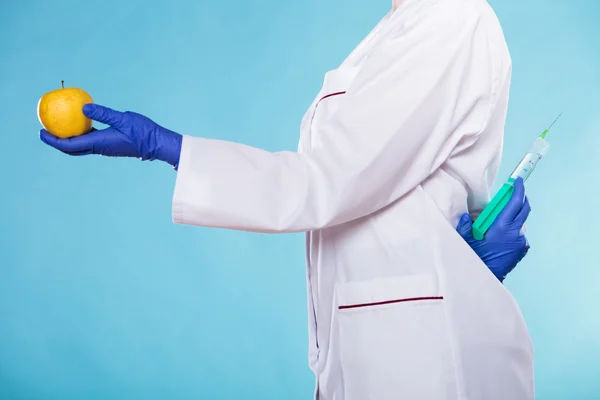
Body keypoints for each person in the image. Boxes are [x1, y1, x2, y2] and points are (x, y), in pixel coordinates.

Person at [40, 0, 535, 398]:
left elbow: (330, 180)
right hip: (378, 336)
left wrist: (171, 150)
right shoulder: (398, 25)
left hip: (421, 353)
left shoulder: (452, 17)